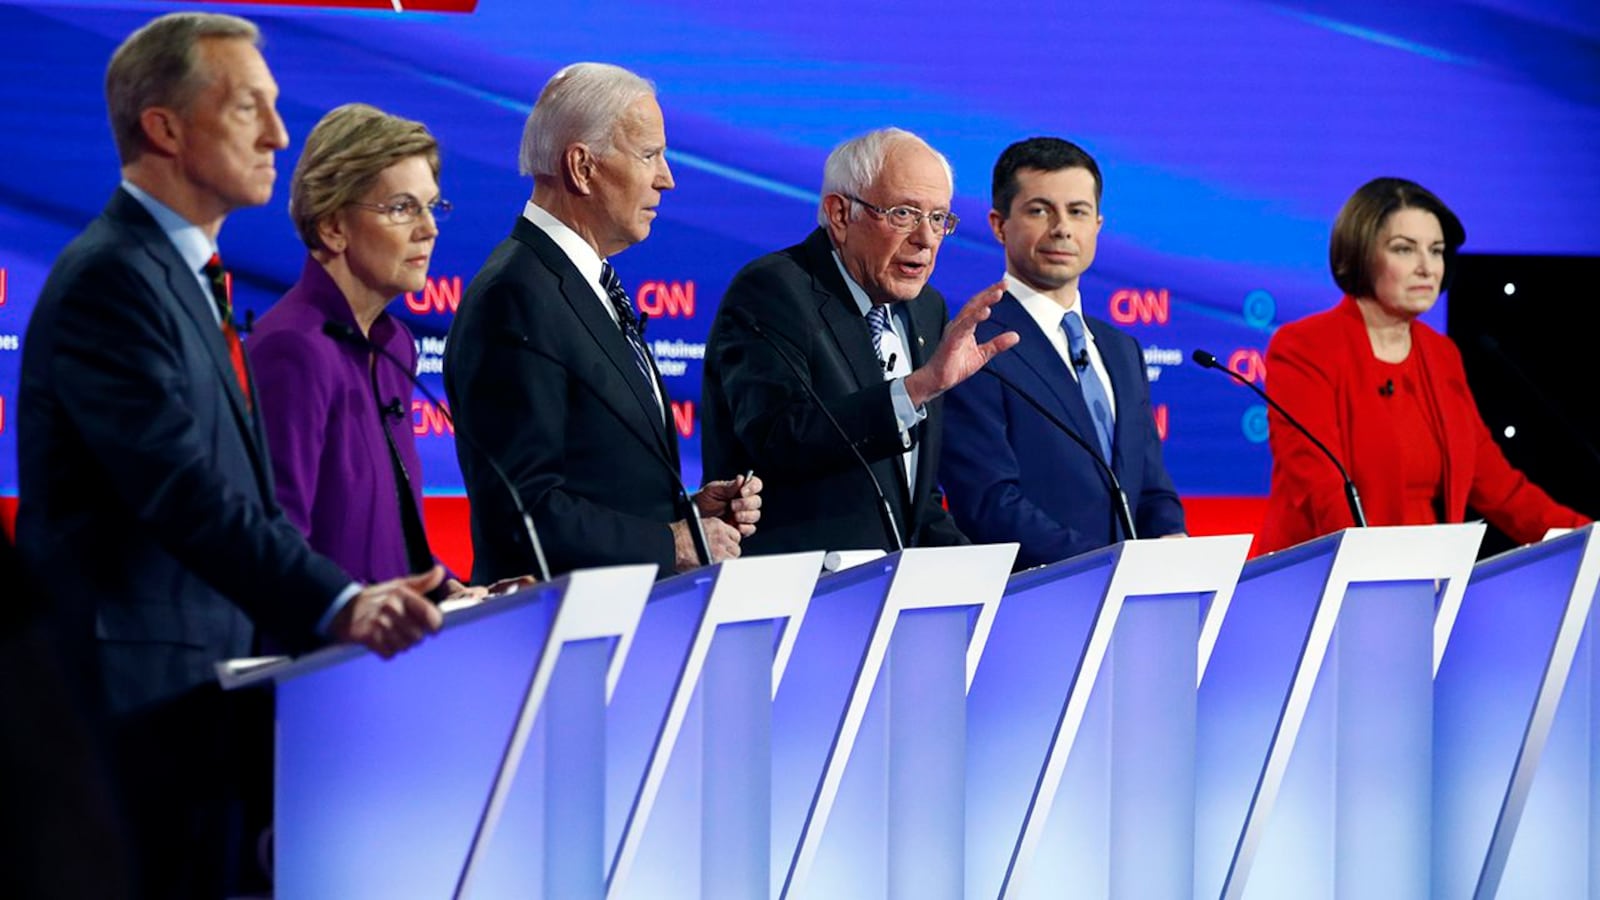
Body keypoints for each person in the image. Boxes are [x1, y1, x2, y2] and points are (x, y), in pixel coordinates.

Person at [13, 14, 444, 897]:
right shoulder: (111, 279)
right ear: (164, 128)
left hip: (199, 699)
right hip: (131, 704)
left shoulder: (183, 276)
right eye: (249, 106)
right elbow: (182, 489)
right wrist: (338, 601)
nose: (279, 135)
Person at [444, 62, 761, 581]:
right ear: (582, 167)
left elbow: (595, 476)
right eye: (649, 155)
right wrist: (669, 542)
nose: (668, 178)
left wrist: (686, 514)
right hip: (554, 632)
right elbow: (523, 511)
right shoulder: (517, 294)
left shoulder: (579, 281)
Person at [702, 127, 1017, 555]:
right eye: (904, 214)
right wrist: (916, 389)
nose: (925, 239)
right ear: (839, 214)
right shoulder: (775, 290)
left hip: (887, 595)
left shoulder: (927, 309)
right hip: (801, 592)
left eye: (939, 218)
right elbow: (776, 440)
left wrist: (985, 576)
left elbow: (910, 499)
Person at [1256, 177, 1591, 554]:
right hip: (1326, 586)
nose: (1426, 268)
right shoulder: (1305, 348)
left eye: (1436, 251)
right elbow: (1320, 491)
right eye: (1404, 250)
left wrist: (1587, 540)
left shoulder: (1442, 356)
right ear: (1360, 253)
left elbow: (1500, 488)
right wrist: (1377, 577)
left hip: (1426, 587)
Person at [249, 103, 485, 597]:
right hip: (321, 658)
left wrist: (446, 590)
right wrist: (353, 608)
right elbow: (276, 545)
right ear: (333, 225)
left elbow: (390, 532)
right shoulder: (292, 350)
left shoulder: (394, 344)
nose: (429, 228)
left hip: (387, 655)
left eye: (431, 206)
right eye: (402, 207)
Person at [938, 137, 1185, 569]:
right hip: (1035, 599)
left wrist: (1172, 541)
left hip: (1132, 602)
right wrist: (1105, 565)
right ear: (999, 224)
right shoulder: (976, 344)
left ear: (1097, 226)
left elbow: (1149, 484)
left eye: (1077, 211)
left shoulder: (1120, 348)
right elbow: (988, 502)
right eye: (1039, 210)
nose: (1062, 228)